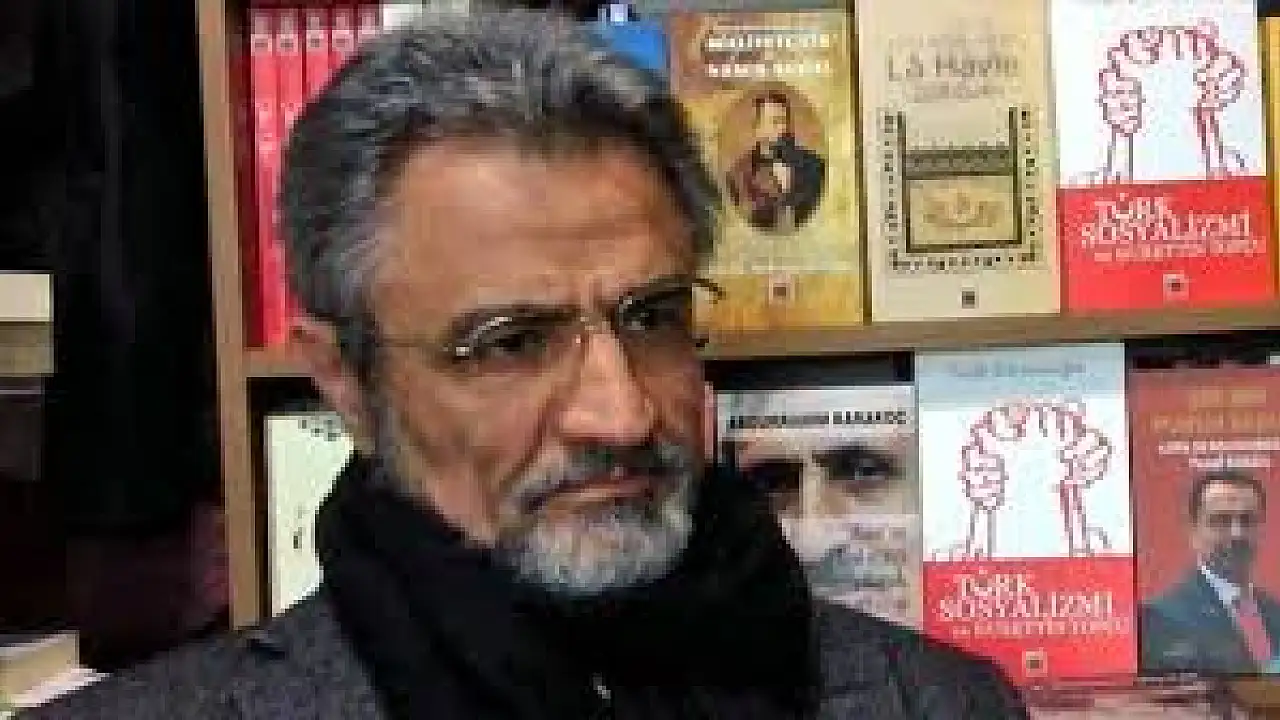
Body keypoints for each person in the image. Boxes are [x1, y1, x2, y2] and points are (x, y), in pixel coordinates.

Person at [27, 8, 1026, 718]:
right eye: (509, 343)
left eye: (652, 316)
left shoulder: (939, 702)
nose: (620, 414)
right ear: (346, 384)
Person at [1142, 468, 1280, 674]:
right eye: (1221, 521)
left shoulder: (1274, 611)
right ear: (1193, 531)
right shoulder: (1160, 619)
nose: (1237, 534)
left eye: (1247, 520)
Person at [725, 91, 826, 233]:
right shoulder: (738, 175)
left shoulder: (814, 166)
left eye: (784, 121)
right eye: (774, 122)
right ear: (757, 128)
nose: (782, 129)